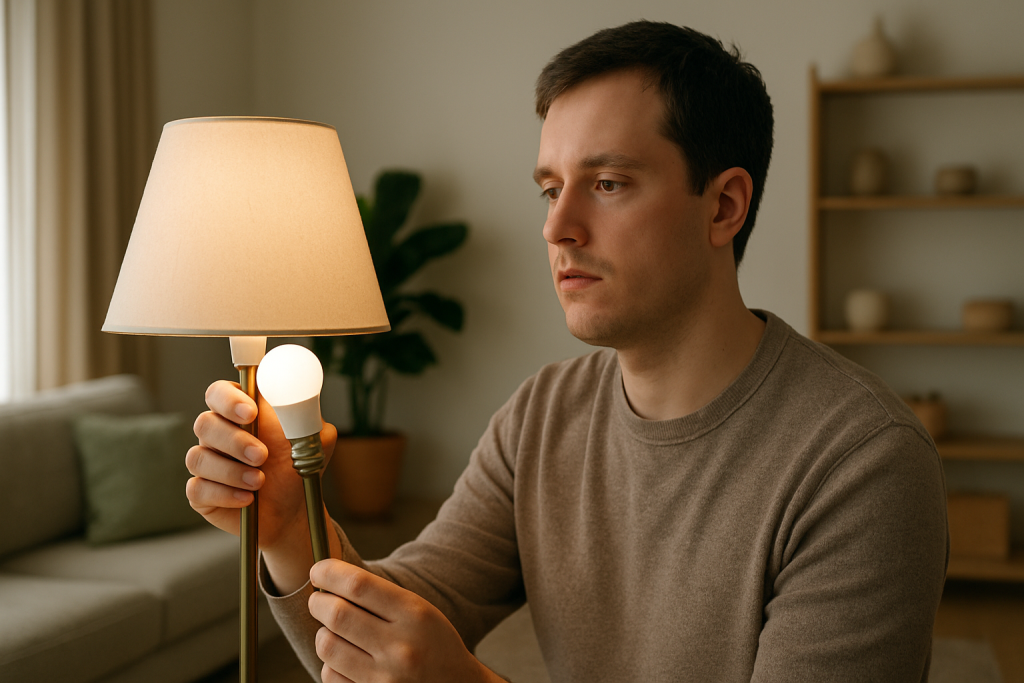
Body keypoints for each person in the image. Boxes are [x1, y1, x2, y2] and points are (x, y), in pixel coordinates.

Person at [186, 20, 948, 683]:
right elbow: (397, 623)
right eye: (551, 189)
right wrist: (288, 528)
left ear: (724, 206)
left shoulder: (863, 462)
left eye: (608, 183)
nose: (558, 228)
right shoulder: (543, 415)